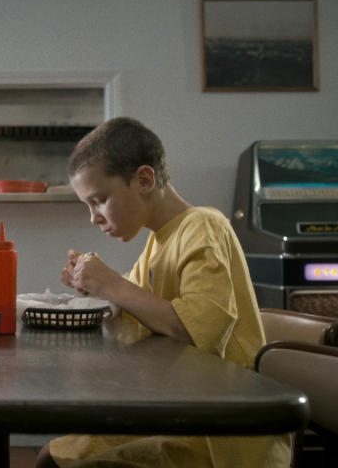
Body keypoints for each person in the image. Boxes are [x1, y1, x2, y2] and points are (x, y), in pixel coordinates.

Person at [36, 117, 291, 468]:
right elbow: (136, 319)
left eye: (99, 200)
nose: (93, 218)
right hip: (179, 411)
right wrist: (93, 287)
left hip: (223, 434)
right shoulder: (156, 244)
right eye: (88, 206)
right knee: (52, 455)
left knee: (64, 463)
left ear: (144, 179)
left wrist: (111, 283)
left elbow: (194, 331)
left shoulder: (204, 225)